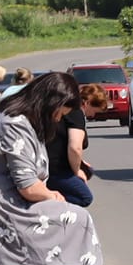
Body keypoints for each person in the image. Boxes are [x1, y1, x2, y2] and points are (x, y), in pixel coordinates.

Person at [0, 71, 103, 265]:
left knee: (71, 215)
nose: (58, 119)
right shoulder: (15, 125)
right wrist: (54, 196)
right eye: (59, 113)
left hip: (0, 205)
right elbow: (28, 187)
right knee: (78, 218)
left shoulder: (14, 118)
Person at [49, 79, 96, 207]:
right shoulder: (76, 114)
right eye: (95, 110)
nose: (94, 114)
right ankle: (52, 204)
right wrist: (77, 172)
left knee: (89, 170)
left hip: (53, 162)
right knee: (84, 197)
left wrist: (81, 164)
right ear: (86, 103)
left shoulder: (67, 112)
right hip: (56, 168)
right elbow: (75, 147)